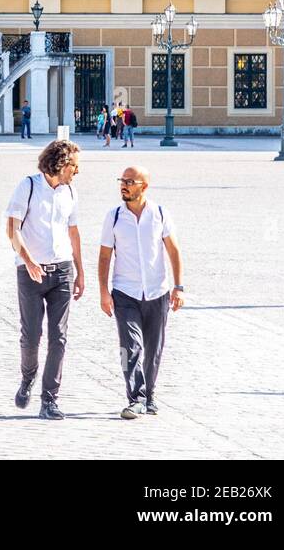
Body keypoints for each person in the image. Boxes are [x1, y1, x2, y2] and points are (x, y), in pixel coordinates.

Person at [4, 139, 85, 420]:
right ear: (61, 163)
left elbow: (73, 233)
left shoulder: (71, 192)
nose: (78, 171)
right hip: (30, 273)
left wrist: (80, 271)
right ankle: (28, 377)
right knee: (31, 336)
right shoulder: (27, 186)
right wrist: (28, 260)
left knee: (59, 337)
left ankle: (49, 399)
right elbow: (12, 229)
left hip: (62, 271)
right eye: (74, 165)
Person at [99, 165, 185, 419]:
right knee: (130, 346)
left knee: (153, 348)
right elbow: (105, 256)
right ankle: (135, 397)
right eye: (121, 181)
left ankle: (150, 395)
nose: (123, 185)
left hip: (157, 292)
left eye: (129, 181)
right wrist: (104, 292)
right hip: (125, 293)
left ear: (144, 186)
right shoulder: (113, 217)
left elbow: (173, 251)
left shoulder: (159, 213)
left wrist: (178, 287)